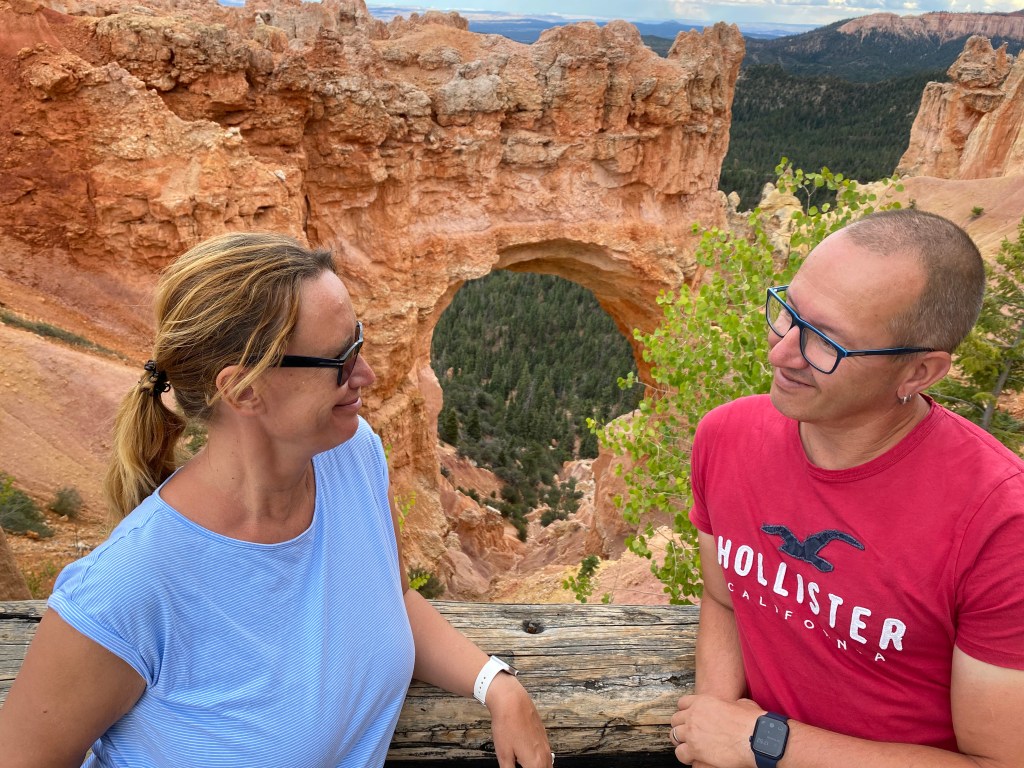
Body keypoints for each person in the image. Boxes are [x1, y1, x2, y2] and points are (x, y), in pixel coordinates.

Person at [0, 232, 553, 768]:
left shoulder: (353, 456)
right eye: (341, 359)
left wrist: (496, 686)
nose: (367, 373)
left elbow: (388, 597)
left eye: (359, 341)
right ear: (243, 390)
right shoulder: (125, 589)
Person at [668, 209, 1024, 768]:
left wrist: (765, 742)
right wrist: (715, 716)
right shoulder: (726, 436)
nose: (780, 352)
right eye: (788, 312)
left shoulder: (1000, 525)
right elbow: (724, 599)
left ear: (918, 373)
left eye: (825, 342)